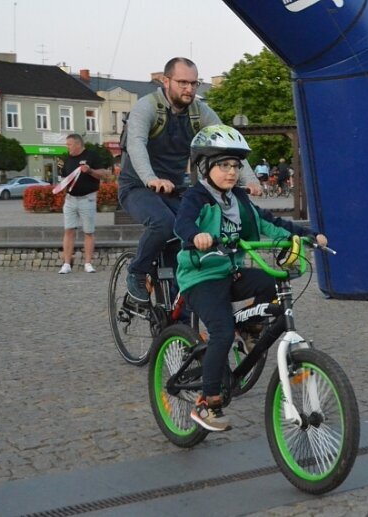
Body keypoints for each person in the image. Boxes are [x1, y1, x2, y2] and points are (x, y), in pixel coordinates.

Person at [174, 124, 327, 431]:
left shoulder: (239, 200)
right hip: (201, 276)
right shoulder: (196, 197)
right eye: (223, 165)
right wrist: (198, 236)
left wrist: (307, 235)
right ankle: (208, 402)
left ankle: (249, 328)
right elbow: (182, 224)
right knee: (220, 330)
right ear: (205, 167)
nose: (231, 172)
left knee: (274, 282)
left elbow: (269, 223)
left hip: (231, 271)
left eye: (235, 165)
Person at [118, 57, 261, 303]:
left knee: (193, 231)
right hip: (137, 186)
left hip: (173, 189)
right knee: (164, 224)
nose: (189, 89)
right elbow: (136, 144)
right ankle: (137, 272)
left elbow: (226, 142)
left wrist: (250, 179)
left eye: (194, 83)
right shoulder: (147, 107)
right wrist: (151, 178)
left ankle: (179, 318)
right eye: (182, 82)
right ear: (165, 81)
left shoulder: (199, 111)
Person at [58, 134, 110, 274]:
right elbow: (63, 177)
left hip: (87, 198)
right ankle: (67, 264)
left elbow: (104, 173)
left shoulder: (92, 156)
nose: (67, 147)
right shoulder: (66, 159)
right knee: (69, 230)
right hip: (70, 199)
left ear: (78, 144)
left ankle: (88, 263)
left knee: (88, 231)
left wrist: (90, 171)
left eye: (69, 144)